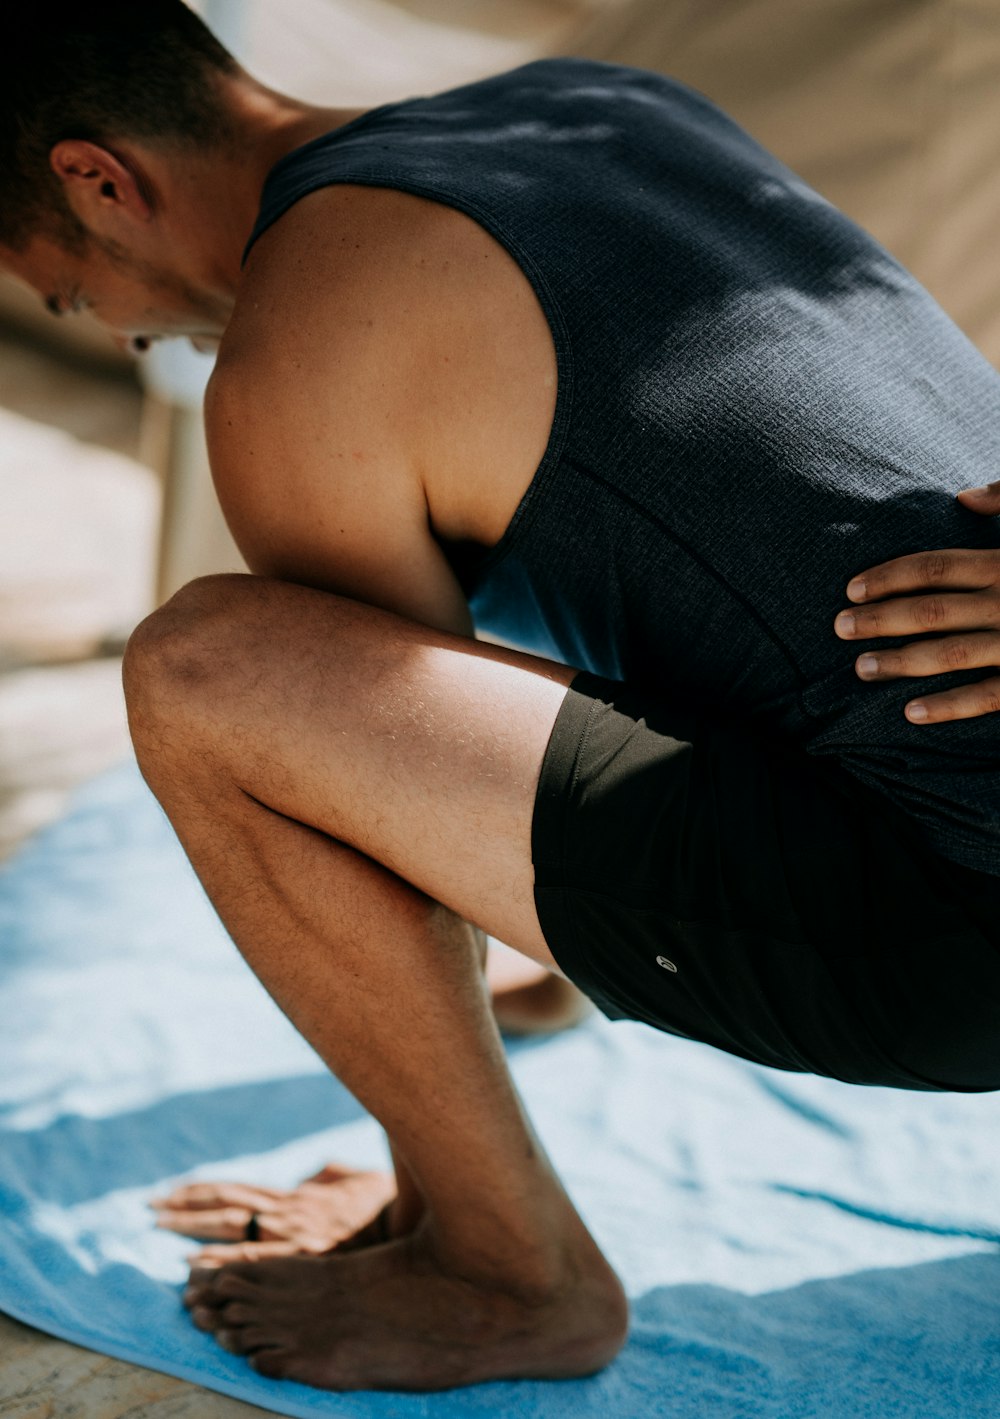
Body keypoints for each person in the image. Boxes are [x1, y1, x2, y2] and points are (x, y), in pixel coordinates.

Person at [5, 1, 1000, 1393]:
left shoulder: (299, 355)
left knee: (213, 673)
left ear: (97, 182)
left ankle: (503, 1268)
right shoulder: (598, 110)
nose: (103, 326)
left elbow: (372, 802)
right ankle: (546, 1020)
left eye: (62, 291)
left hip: (956, 925)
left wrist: (431, 1171)